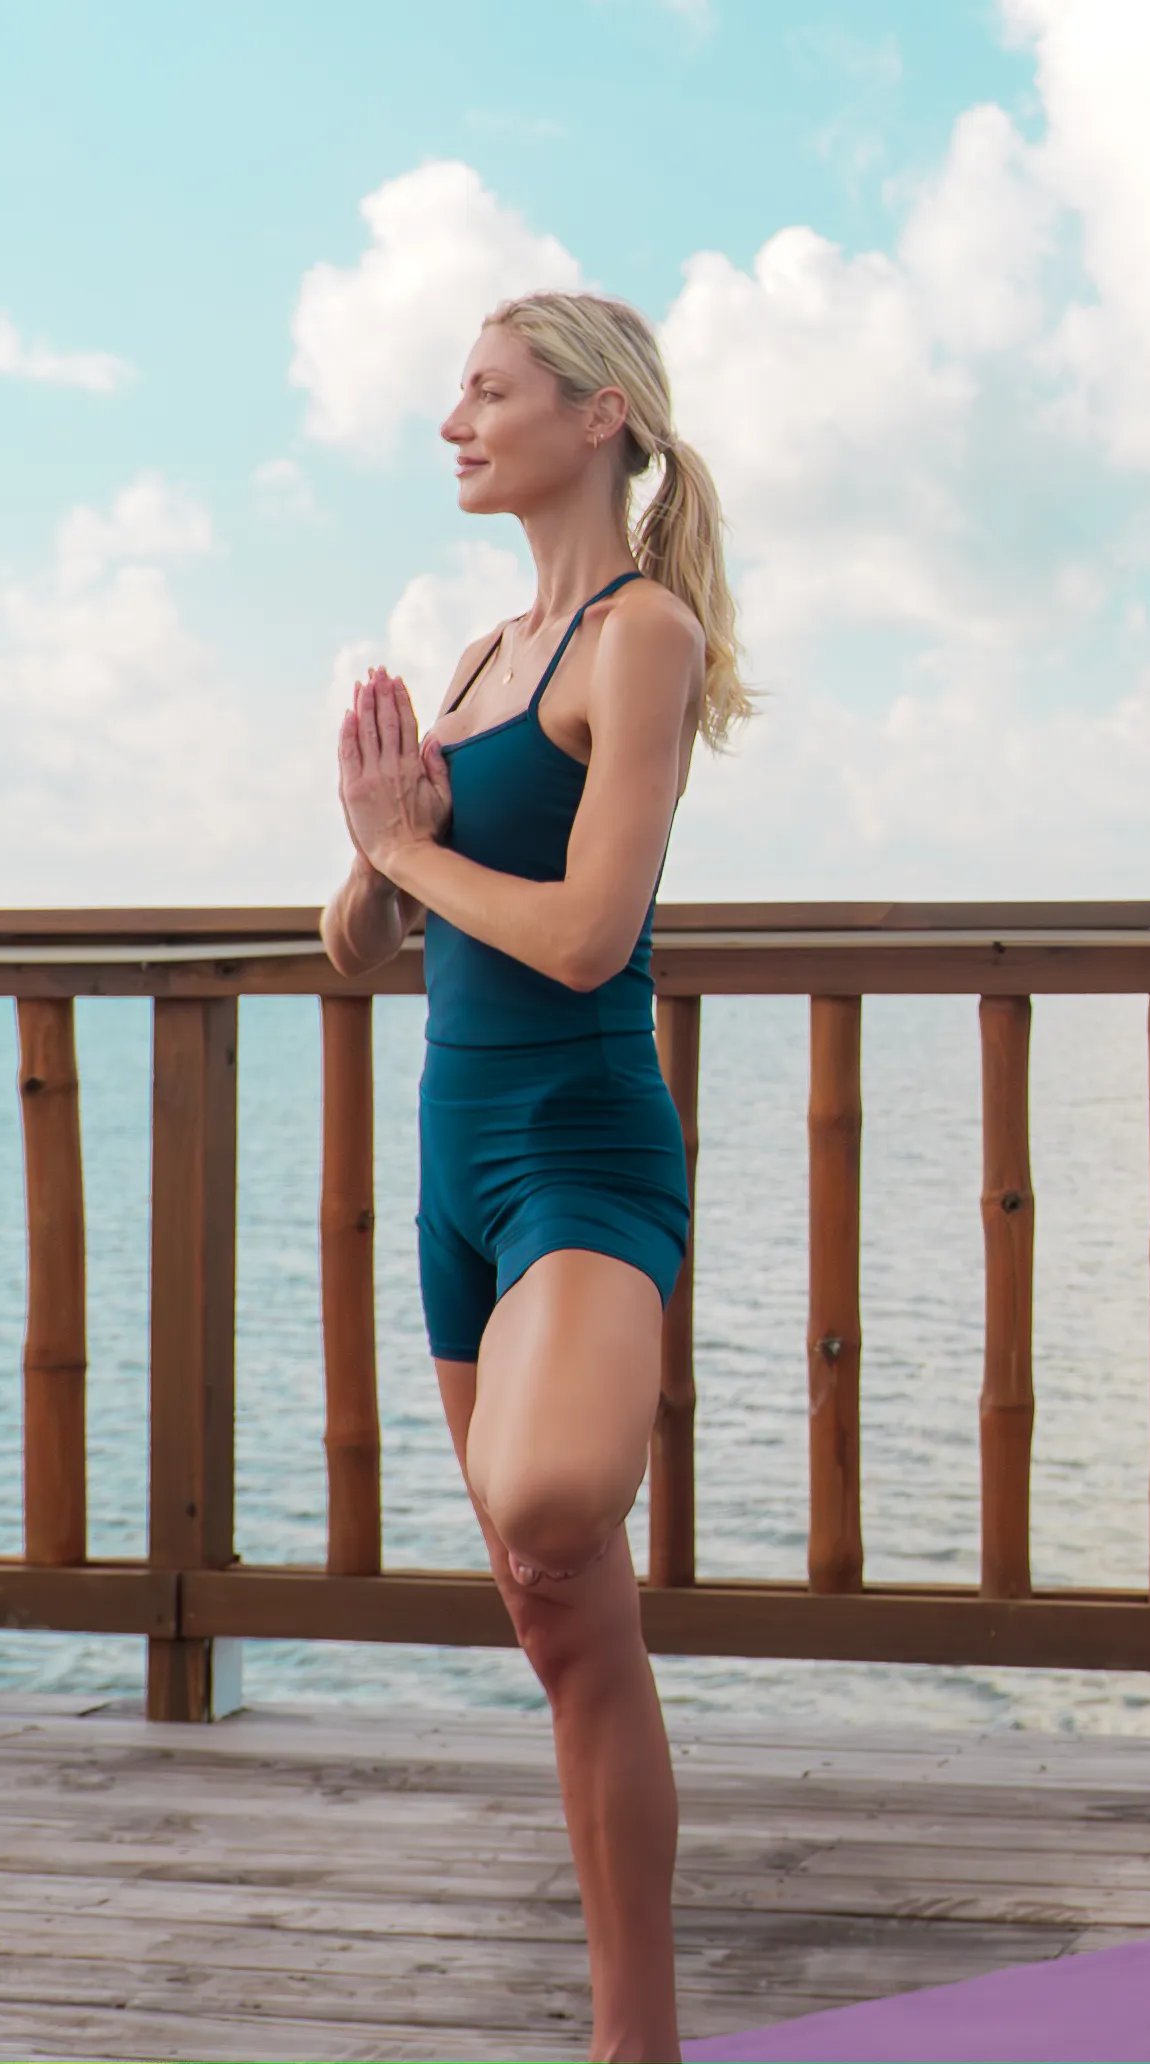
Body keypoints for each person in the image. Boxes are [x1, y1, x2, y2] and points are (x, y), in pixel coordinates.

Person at [320, 291, 752, 2064]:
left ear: (599, 418)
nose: (454, 420)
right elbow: (364, 945)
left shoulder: (637, 634)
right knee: (565, 1627)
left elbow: (587, 936)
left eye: (488, 391)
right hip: (453, 1179)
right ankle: (629, 2042)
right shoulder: (488, 651)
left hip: (579, 1148)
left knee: (554, 1505)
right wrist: (371, 853)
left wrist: (415, 852)